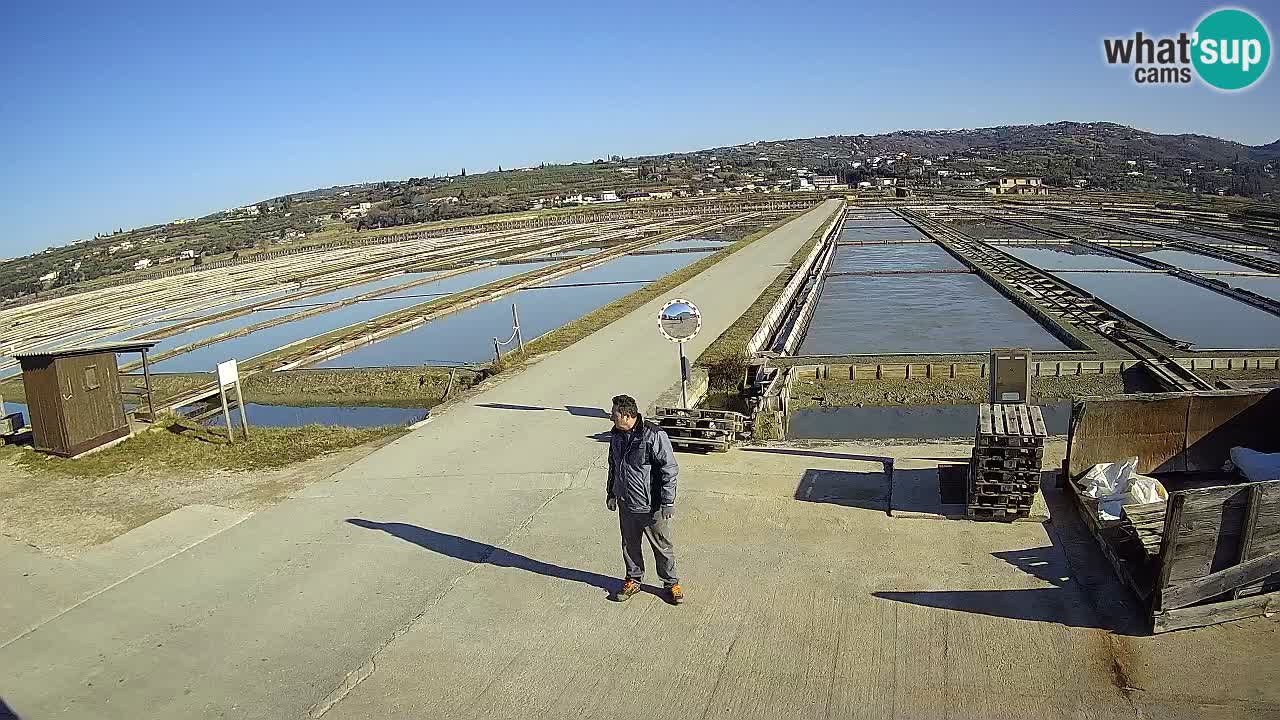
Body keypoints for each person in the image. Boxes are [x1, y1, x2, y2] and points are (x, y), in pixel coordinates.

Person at [606, 394, 683, 604]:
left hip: (651, 506)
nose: (611, 417)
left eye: (614, 414)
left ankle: (671, 584)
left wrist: (667, 502)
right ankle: (633, 579)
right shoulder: (615, 435)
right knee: (629, 545)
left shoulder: (653, 435)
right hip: (626, 503)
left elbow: (669, 468)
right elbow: (614, 465)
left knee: (662, 547)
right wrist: (611, 493)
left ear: (627, 415)